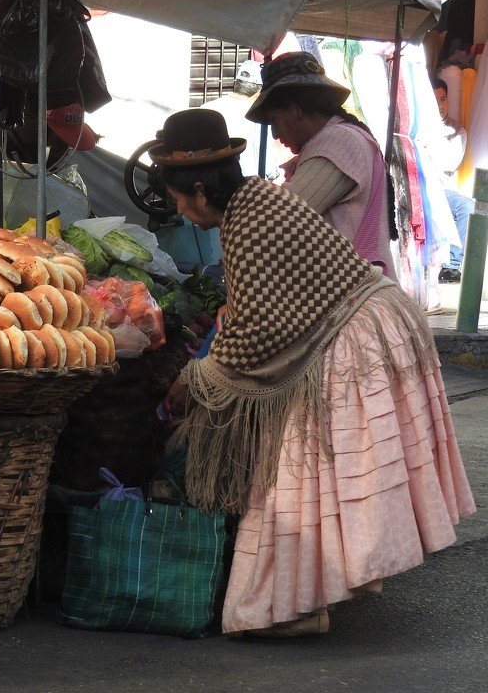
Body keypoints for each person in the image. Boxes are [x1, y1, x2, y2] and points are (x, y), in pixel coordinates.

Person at [158, 109, 474, 637]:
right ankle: (308, 595)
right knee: (311, 478)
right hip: (361, 325)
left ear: (198, 189)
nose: (180, 212)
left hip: (351, 339)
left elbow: (258, 330)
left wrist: (196, 380)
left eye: (177, 199)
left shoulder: (250, 219)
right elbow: (262, 310)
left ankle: (289, 608)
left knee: (295, 478)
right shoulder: (254, 203)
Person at [245, 51, 397, 281]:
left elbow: (279, 219)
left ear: (295, 110)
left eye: (274, 121)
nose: (274, 134)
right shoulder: (342, 138)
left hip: (355, 294)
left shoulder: (339, 141)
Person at [200, 59, 282, 180]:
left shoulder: (207, 109)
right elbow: (269, 169)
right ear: (259, 92)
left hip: (210, 184)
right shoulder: (258, 117)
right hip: (246, 187)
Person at [429, 77, 472, 283]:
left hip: (442, 190)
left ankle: (452, 267)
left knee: (467, 206)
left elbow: (449, 163)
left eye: (443, 99)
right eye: (435, 100)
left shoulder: (457, 130)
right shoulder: (418, 127)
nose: (440, 105)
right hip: (421, 186)